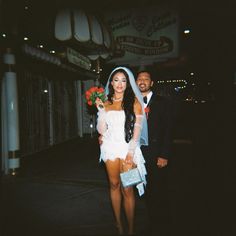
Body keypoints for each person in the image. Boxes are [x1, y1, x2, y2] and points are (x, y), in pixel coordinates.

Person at [95, 67, 148, 235]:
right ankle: (119, 225)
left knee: (127, 189)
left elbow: (137, 130)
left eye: (123, 81)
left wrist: (131, 152)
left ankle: (131, 229)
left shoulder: (134, 102)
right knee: (114, 185)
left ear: (128, 84)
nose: (120, 84)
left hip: (128, 149)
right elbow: (101, 130)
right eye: (116, 80)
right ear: (111, 82)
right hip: (110, 148)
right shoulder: (106, 102)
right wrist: (101, 110)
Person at [136, 70, 175, 236]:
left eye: (146, 79)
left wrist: (164, 154)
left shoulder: (163, 102)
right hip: (135, 154)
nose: (142, 81)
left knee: (157, 190)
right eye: (139, 79)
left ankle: (159, 225)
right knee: (137, 188)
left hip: (156, 153)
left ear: (151, 83)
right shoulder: (131, 101)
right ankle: (142, 221)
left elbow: (168, 129)